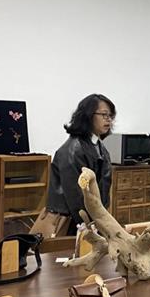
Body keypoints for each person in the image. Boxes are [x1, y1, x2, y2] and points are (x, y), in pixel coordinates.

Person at [42, 94, 116, 236]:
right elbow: (76, 198)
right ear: (88, 115)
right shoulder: (72, 150)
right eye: (104, 115)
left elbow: (104, 190)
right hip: (71, 223)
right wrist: (92, 226)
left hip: (92, 221)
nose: (108, 119)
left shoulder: (99, 146)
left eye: (110, 116)